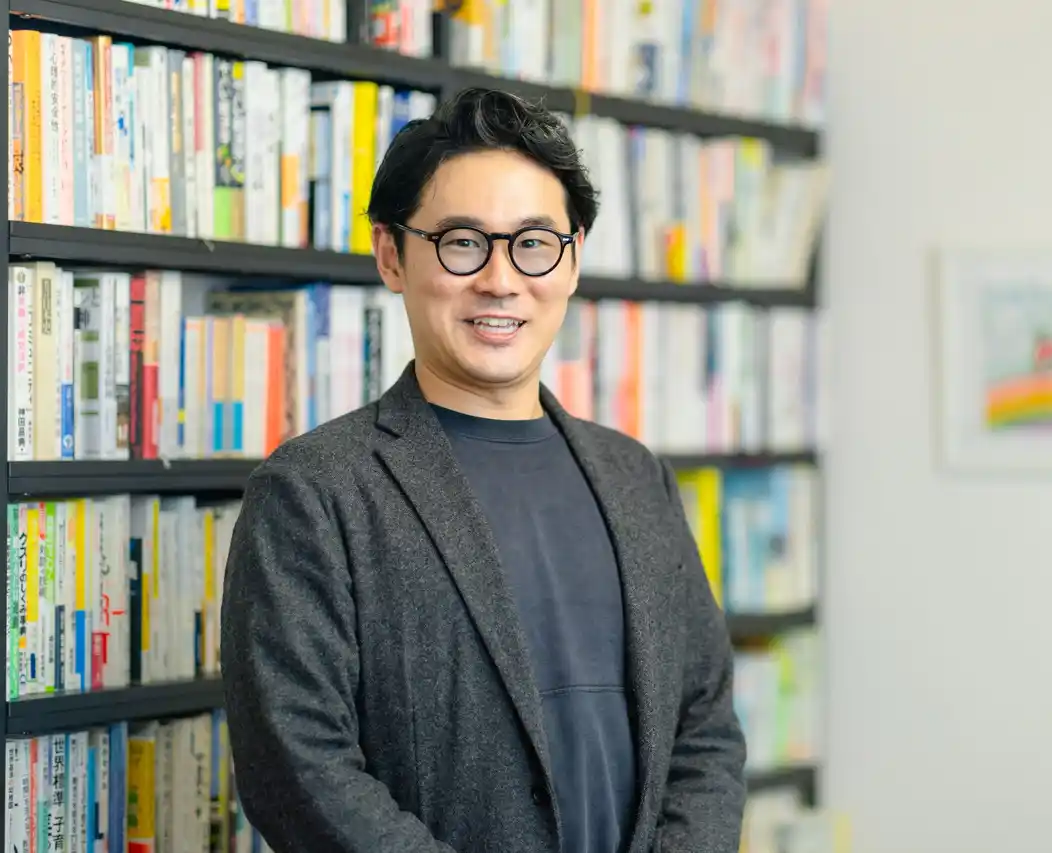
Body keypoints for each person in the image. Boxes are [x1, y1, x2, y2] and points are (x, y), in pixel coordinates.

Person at [219, 87, 747, 853]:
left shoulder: (635, 476)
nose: (501, 279)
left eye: (534, 243)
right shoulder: (314, 491)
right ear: (392, 254)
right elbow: (297, 771)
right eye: (463, 242)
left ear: (573, 258)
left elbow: (705, 727)